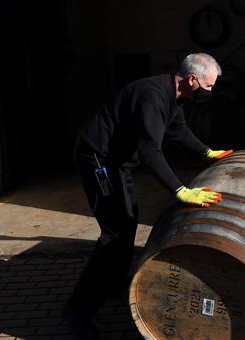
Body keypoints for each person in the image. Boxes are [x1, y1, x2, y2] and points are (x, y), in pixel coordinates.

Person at [62, 52, 232, 339]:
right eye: (207, 87)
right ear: (192, 79)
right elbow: (150, 151)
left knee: (128, 221)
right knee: (115, 232)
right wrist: (180, 191)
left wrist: (207, 152)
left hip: (116, 162)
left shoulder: (173, 96)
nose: (209, 92)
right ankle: (77, 310)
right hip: (98, 160)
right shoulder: (152, 97)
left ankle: (113, 281)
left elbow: (178, 131)